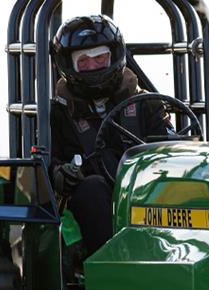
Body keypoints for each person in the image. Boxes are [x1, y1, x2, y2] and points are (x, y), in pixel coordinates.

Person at [49, 15, 172, 254]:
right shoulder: (57, 113)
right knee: (92, 189)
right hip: (87, 202)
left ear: (114, 56)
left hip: (145, 193)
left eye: (100, 58)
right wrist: (59, 172)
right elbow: (47, 162)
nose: (93, 66)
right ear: (68, 65)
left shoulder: (147, 103)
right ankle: (113, 265)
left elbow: (172, 148)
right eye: (83, 61)